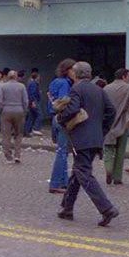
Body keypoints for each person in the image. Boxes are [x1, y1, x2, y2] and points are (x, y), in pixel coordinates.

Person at [56, 61, 119, 227]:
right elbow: (111, 111)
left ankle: (106, 208)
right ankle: (67, 208)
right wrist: (102, 129)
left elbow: (73, 109)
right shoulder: (99, 89)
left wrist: (60, 118)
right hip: (95, 138)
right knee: (78, 172)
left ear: (75, 75)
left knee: (82, 172)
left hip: (81, 138)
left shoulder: (77, 89)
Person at [103, 68, 129, 185]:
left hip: (108, 122)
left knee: (108, 148)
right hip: (122, 121)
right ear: (124, 77)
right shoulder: (127, 87)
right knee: (120, 150)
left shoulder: (106, 88)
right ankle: (117, 177)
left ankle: (108, 169)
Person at [48, 59, 75, 194]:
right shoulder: (65, 84)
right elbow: (63, 101)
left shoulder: (55, 82)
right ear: (68, 70)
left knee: (62, 151)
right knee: (62, 152)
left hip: (54, 118)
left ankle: (63, 182)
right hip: (61, 119)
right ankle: (56, 182)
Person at [0, 69, 29, 163]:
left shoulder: (3, 86)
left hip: (6, 111)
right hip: (19, 110)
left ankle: (8, 156)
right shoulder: (22, 86)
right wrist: (24, 110)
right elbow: (26, 101)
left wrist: (1, 110)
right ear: (16, 77)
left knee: (6, 135)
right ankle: (17, 155)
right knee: (19, 134)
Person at [25, 69, 43, 136]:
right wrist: (33, 102)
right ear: (36, 77)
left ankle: (27, 131)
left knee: (31, 116)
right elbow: (32, 93)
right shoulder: (33, 83)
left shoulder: (30, 82)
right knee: (39, 114)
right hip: (34, 101)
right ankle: (36, 128)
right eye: (39, 77)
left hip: (31, 101)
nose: (39, 78)